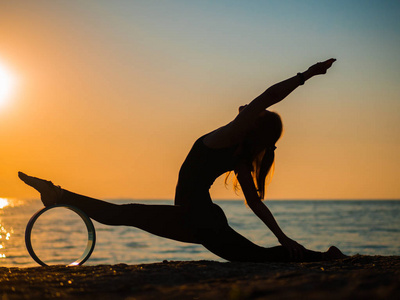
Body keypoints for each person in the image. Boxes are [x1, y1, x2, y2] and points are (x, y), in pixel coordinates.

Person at [19, 58, 346, 262]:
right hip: (199, 218)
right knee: (255, 257)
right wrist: (283, 238)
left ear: (253, 124)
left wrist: (307, 75)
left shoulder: (233, 137)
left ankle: (56, 193)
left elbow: (268, 96)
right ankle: (323, 258)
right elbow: (255, 204)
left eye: (254, 111)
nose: (247, 106)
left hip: (197, 216)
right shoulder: (238, 152)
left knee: (124, 214)